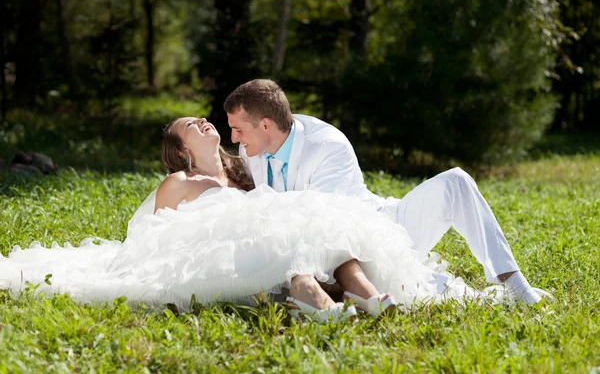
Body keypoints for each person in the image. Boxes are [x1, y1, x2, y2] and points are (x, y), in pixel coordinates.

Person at [4, 117, 495, 323]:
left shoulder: (247, 178)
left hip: (268, 225)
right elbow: (156, 236)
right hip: (222, 242)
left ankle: (370, 298)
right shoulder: (180, 183)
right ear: (181, 151)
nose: (203, 124)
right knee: (284, 226)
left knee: (314, 221)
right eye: (190, 128)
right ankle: (314, 298)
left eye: (202, 120)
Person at [225, 79, 551, 304]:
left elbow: (320, 218)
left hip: (379, 233)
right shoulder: (251, 150)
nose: (235, 138)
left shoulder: (327, 146)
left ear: (266, 125)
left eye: (238, 129)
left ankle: (513, 282)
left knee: (456, 182)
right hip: (320, 255)